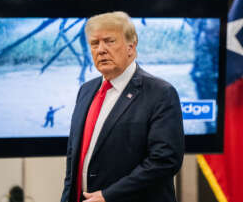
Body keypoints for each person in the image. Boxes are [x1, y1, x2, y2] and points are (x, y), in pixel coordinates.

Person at [60, 11, 185, 202]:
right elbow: (73, 159)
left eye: (109, 41)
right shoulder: (86, 90)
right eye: (94, 43)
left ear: (131, 47)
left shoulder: (160, 93)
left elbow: (165, 161)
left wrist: (108, 196)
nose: (100, 50)